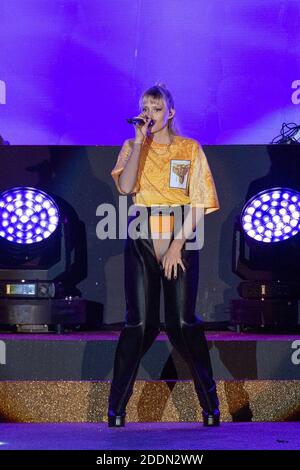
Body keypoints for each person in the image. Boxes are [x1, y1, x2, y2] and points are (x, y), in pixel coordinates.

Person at [108, 83, 220, 427]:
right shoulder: (132, 146)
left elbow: (200, 201)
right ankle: (116, 409)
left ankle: (210, 406)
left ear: (170, 112)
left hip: (178, 237)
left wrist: (176, 245)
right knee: (139, 324)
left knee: (183, 323)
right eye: (145, 109)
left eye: (157, 109)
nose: (150, 115)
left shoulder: (189, 149)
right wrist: (140, 142)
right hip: (143, 235)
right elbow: (126, 188)